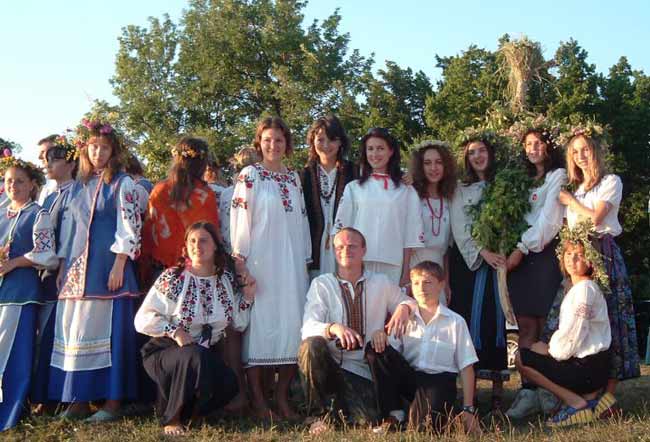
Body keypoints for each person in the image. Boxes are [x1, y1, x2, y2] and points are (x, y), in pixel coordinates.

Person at [49, 118, 142, 422]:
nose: (98, 153)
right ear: (85, 150)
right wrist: (62, 265)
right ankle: (79, 400)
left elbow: (129, 225)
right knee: (77, 332)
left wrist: (119, 263)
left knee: (109, 335)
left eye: (104, 148)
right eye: (93, 147)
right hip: (77, 272)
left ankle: (112, 403)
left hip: (107, 269)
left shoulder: (122, 183)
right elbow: (69, 229)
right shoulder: (78, 185)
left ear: (113, 151)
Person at [135, 222, 255, 436]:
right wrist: (175, 331)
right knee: (193, 355)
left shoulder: (224, 280)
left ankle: (192, 413)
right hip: (164, 352)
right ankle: (172, 418)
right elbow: (142, 319)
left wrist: (247, 295)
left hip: (201, 355)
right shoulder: (174, 278)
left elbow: (238, 323)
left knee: (230, 383)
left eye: (203, 240)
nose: (197, 246)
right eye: (192, 241)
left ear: (215, 246)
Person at [230, 116, 311, 419]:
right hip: (260, 263)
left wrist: (305, 259)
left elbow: (302, 220)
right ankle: (259, 401)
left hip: (292, 265)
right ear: (259, 143)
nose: (273, 145)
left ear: (286, 144)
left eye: (278, 140)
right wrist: (240, 261)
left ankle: (282, 398)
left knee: (292, 325)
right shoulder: (250, 175)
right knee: (260, 328)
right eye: (267, 140)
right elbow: (239, 219)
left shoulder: (293, 178)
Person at [556, 128, 640, 417]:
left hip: (602, 252)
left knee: (611, 318)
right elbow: (569, 229)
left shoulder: (610, 182)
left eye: (585, 149)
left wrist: (571, 203)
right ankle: (585, 390)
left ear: (595, 151)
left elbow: (596, 218)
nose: (580, 156)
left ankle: (609, 395)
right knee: (579, 319)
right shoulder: (576, 188)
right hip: (578, 257)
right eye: (574, 152)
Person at [299, 227, 417, 434]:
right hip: (329, 366)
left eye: (352, 246)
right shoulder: (322, 284)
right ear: (334, 251)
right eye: (340, 247)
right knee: (310, 346)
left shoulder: (380, 282)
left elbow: (409, 302)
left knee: (368, 419)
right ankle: (318, 415)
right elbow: (307, 327)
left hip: (362, 371)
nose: (346, 251)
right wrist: (333, 328)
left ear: (364, 250)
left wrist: (404, 308)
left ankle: (338, 409)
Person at [365, 261, 479, 433]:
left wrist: (468, 409)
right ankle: (394, 413)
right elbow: (389, 353)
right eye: (416, 283)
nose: (421, 288)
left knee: (425, 427)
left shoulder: (455, 322)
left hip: (439, 380)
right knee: (375, 348)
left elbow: (467, 367)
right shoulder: (405, 318)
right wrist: (378, 335)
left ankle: (447, 413)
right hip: (412, 376)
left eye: (427, 282)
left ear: (441, 285)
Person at [516, 234, 611, 427]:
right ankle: (589, 399)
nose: (571, 259)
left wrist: (548, 350)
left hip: (589, 368)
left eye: (579, 255)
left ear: (590, 261)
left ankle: (576, 403)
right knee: (535, 352)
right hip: (594, 365)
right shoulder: (579, 287)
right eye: (568, 253)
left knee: (522, 359)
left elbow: (574, 335)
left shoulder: (584, 289)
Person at [505, 125, 567, 419]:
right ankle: (527, 390)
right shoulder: (520, 179)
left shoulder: (558, 176)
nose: (533, 149)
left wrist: (522, 247)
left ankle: (550, 391)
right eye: (528, 144)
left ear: (549, 146)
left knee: (546, 326)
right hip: (520, 259)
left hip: (543, 255)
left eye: (538, 143)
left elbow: (549, 221)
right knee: (525, 327)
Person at [448, 134, 508, 412]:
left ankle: (497, 390)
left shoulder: (504, 184)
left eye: (481, 150)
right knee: (469, 322)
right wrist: (483, 252)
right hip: (470, 264)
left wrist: (503, 249)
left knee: (496, 323)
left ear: (490, 153)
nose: (477, 156)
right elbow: (459, 225)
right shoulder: (460, 189)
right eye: (471, 152)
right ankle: (467, 392)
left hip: (500, 260)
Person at [0, 156, 57, 431]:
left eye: (20, 181)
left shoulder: (38, 213)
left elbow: (47, 255)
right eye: (9, 181)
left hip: (21, 293)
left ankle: (10, 411)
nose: (13, 186)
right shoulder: (1, 212)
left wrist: (14, 263)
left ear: (32, 184)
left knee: (14, 353)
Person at [333, 127, 424, 285]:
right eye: (370, 149)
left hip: (393, 264)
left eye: (380, 148)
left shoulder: (406, 190)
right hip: (359, 263)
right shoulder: (354, 188)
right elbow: (342, 231)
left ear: (391, 151)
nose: (375, 154)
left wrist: (406, 272)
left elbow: (410, 234)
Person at [30, 136, 78, 412]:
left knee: (56, 333)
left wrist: (61, 266)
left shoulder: (76, 193)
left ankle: (54, 396)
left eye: (54, 159)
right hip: (44, 273)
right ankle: (41, 394)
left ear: (70, 163)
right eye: (46, 159)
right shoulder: (49, 196)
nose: (47, 164)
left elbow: (70, 237)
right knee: (43, 334)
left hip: (64, 272)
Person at [141, 137, 219, 286]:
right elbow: (211, 235)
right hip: (195, 271)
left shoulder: (159, 190)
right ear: (203, 164)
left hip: (160, 271)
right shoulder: (205, 195)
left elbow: (148, 232)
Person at [301, 115, 358, 278]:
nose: (326, 145)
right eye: (320, 139)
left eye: (332, 139)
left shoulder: (355, 172)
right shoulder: (303, 176)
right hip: (314, 249)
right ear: (312, 141)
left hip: (346, 247)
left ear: (340, 142)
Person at [408, 140, 456, 305]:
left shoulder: (449, 199)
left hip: (438, 272)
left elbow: (446, 250)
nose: (433, 168)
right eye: (427, 163)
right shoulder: (412, 195)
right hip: (415, 268)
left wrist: (446, 282)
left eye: (438, 162)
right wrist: (405, 277)